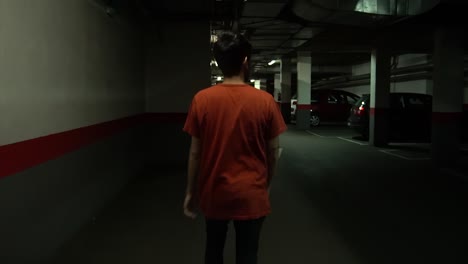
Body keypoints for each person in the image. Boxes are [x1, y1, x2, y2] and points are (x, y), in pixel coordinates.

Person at [182, 31, 287, 264]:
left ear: (219, 64)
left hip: (214, 192)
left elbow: (195, 153)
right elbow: (273, 153)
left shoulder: (202, 99)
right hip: (251, 193)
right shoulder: (265, 101)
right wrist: (266, 185)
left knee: (213, 251)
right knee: (248, 255)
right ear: (245, 61)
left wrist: (191, 191)